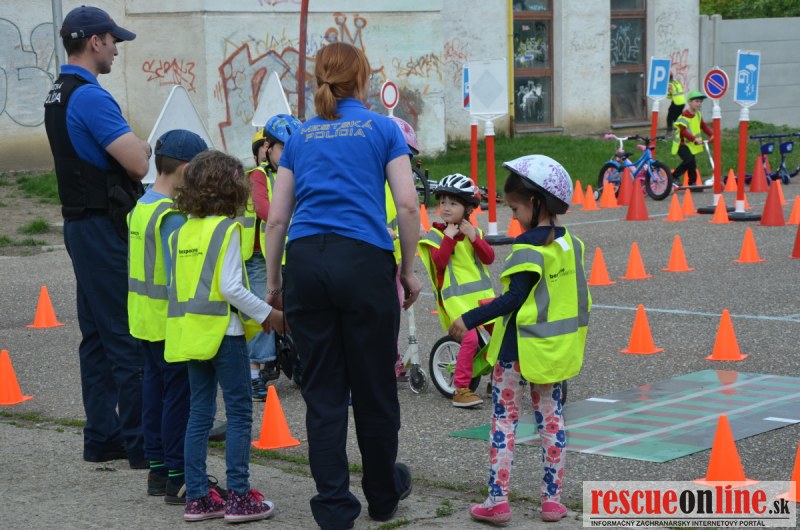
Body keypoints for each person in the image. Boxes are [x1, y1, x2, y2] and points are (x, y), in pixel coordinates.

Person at [264, 41, 421, 529]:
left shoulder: (300, 137)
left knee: (324, 392)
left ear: (320, 80)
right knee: (375, 387)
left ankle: (333, 506)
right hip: (363, 262)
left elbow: (277, 219)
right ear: (363, 79)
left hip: (306, 262)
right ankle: (382, 495)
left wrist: (275, 282)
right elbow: (407, 204)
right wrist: (409, 269)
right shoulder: (383, 129)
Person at [449, 155, 591, 525]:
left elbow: (513, 299)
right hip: (550, 351)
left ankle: (497, 501)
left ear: (535, 202)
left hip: (515, 349)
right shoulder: (571, 245)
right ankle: (552, 502)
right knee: (552, 422)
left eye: (515, 208)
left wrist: (468, 318)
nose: (514, 217)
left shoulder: (528, 248)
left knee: (504, 422)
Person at [43, 5, 150, 468]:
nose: (116, 50)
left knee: (97, 338)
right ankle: (145, 444)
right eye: (113, 41)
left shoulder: (58, 91)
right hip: (103, 228)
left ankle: (104, 436)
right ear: (94, 42)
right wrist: (144, 145)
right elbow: (138, 164)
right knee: (127, 337)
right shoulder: (90, 97)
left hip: (80, 224)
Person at [165, 150, 283, 523]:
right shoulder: (227, 230)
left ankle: (198, 497)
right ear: (231, 189)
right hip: (224, 333)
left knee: (199, 413)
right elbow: (231, 287)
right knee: (240, 412)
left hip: (192, 335)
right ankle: (240, 496)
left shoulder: (182, 232)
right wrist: (269, 314)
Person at [127, 129, 207, 501]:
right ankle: (179, 476)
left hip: (144, 318)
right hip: (170, 322)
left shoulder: (141, 207)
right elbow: (182, 276)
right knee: (179, 398)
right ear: (186, 170)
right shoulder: (171, 216)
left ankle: (158, 471)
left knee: (153, 392)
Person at [418, 173, 495, 408]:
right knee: (470, 338)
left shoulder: (474, 233)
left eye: (453, 203)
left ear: (468, 208)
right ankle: (461, 389)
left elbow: (489, 258)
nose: (446, 207)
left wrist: (474, 238)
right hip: (455, 302)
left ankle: (497, 379)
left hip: (482, 298)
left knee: (502, 334)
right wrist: (448, 239)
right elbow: (439, 262)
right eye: (443, 202)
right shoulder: (436, 235)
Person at [245, 114, 302, 400]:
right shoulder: (258, 176)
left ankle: (299, 363)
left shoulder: (297, 174)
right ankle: (255, 371)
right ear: (267, 148)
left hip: (291, 254)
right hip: (261, 257)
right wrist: (297, 220)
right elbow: (265, 210)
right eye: (283, 149)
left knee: (299, 309)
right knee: (262, 309)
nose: (289, 155)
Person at [387, 115, 420, 382]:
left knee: (393, 312)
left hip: (394, 258)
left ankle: (393, 357)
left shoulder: (398, 182)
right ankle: (388, 359)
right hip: (379, 258)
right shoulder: (374, 182)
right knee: (382, 314)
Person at [671, 90, 714, 187]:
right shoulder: (684, 116)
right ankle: (673, 177)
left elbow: (703, 126)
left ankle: (692, 183)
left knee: (692, 164)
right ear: (689, 102)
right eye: (697, 101)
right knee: (689, 160)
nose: (699, 104)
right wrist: (694, 139)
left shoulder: (698, 114)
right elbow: (683, 131)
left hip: (691, 144)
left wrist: (712, 134)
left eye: (701, 102)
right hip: (681, 144)